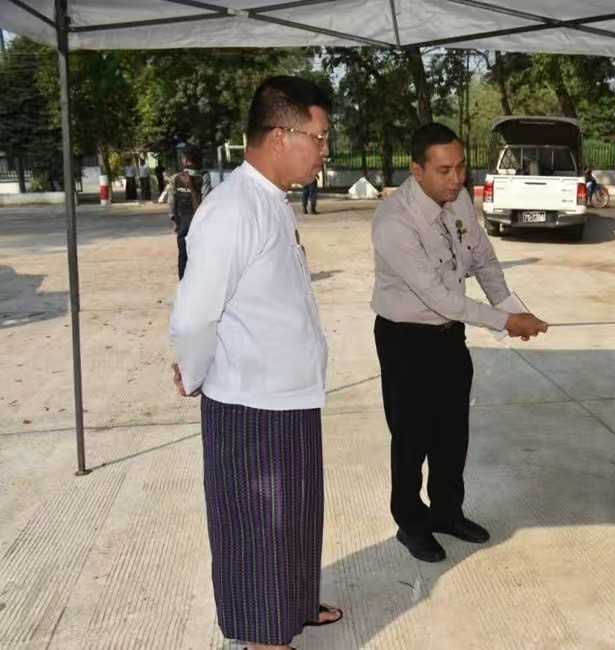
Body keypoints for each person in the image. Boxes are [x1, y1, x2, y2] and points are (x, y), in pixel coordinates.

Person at [169, 76, 342, 650]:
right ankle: (266, 638)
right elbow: (194, 318)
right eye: (318, 137)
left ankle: (295, 605)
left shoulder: (271, 201)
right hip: (252, 406)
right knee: (258, 534)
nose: (324, 150)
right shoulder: (232, 210)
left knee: (296, 521)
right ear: (280, 135)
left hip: (288, 395)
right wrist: (195, 375)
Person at [371, 123, 549, 563]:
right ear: (417, 171)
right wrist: (507, 321)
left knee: (452, 433)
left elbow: (483, 258)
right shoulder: (395, 222)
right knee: (411, 438)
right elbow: (440, 298)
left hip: (450, 337)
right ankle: (411, 523)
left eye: (462, 167)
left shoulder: (459, 199)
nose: (457, 178)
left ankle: (447, 513)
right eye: (445, 170)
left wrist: (510, 308)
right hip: (406, 341)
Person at [168, 145, 213, 280]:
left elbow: (171, 202)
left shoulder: (175, 178)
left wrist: (174, 220)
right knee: (199, 256)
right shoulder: (204, 176)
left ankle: (183, 283)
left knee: (183, 255)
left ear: (186, 160)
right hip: (199, 223)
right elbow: (206, 200)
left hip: (183, 222)